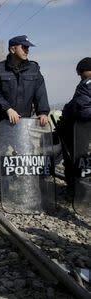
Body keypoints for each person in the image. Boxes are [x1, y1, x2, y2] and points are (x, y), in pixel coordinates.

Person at [0, 35, 50, 184]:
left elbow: (40, 91)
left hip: (23, 122)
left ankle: (22, 184)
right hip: (1, 120)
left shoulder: (34, 69)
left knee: (23, 151)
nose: (27, 50)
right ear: (12, 49)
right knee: (0, 153)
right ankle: (3, 186)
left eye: (28, 47)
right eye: (24, 47)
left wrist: (43, 111)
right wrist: (7, 108)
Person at [57, 57, 91, 197]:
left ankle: (78, 192)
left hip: (80, 130)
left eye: (81, 72)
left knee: (78, 161)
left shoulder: (86, 84)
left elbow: (82, 108)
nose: (79, 75)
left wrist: (67, 115)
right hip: (79, 128)